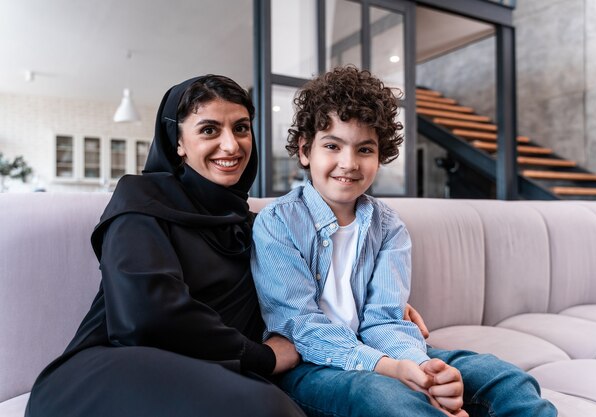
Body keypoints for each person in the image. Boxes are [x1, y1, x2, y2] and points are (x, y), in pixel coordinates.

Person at [251, 66, 558, 417]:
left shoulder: (389, 227)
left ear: (380, 155)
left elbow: (385, 319)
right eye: (332, 146)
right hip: (312, 366)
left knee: (505, 378)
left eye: (364, 149)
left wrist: (423, 373)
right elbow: (301, 328)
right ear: (306, 150)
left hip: (386, 352)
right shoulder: (278, 222)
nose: (348, 163)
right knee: (388, 398)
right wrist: (395, 371)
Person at [25, 74, 306, 417]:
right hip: (113, 369)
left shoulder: (258, 226)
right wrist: (263, 356)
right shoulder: (141, 201)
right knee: (266, 409)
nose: (231, 145)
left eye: (241, 128)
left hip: (214, 372)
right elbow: (145, 314)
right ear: (178, 142)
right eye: (209, 130)